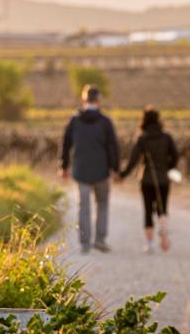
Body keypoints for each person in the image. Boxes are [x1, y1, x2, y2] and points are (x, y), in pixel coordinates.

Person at [60, 85, 120, 254]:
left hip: (80, 171)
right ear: (98, 100)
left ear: (83, 100)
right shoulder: (105, 122)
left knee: (83, 208)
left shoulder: (74, 120)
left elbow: (65, 144)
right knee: (102, 204)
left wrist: (64, 166)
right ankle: (100, 240)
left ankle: (85, 244)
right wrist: (115, 169)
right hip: (102, 170)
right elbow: (113, 147)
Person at [120, 107, 179, 253]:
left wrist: (122, 175)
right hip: (163, 179)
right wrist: (168, 167)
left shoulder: (142, 138)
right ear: (158, 120)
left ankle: (149, 243)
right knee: (162, 208)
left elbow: (133, 160)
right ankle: (164, 237)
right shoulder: (166, 137)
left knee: (147, 211)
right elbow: (176, 156)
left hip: (146, 179)